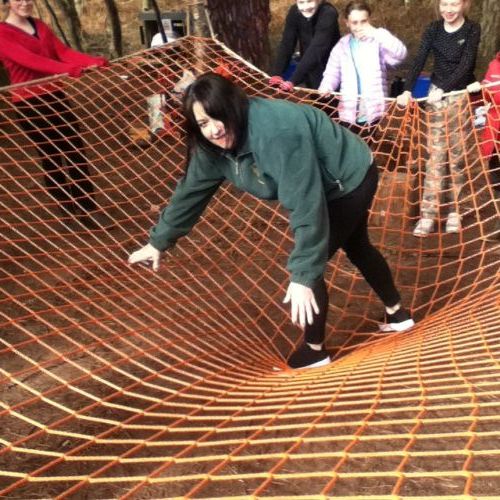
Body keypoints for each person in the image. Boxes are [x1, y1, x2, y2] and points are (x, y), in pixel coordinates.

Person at [128, 72, 415, 370]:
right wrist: (158, 241)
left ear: (233, 107)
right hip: (325, 182)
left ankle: (315, 351)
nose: (213, 129)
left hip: (348, 177)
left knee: (311, 260)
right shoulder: (211, 146)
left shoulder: (276, 132)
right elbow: (190, 192)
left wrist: (303, 275)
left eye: (218, 117)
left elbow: (305, 202)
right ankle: (397, 314)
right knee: (356, 245)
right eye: (203, 123)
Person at [0, 0, 108, 226]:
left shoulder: (40, 26)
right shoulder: (2, 33)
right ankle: (67, 208)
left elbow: (62, 52)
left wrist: (92, 61)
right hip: (29, 103)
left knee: (75, 149)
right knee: (51, 156)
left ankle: (87, 207)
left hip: (56, 95)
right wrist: (69, 70)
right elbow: (31, 61)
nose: (25, 3)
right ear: (8, 3)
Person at [396, 0, 480, 237]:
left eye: (454, 4)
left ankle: (455, 211)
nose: (449, 10)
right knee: (435, 156)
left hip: (459, 97)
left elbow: (467, 64)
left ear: (464, 4)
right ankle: (428, 214)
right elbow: (419, 59)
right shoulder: (433, 29)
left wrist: (445, 88)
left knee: (457, 157)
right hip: (436, 99)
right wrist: (407, 90)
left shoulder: (472, 29)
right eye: (444, 4)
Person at [319, 1, 407, 128]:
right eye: (354, 22)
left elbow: (400, 54)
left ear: (369, 20)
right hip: (349, 109)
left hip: (373, 109)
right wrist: (327, 86)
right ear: (347, 23)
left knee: (368, 139)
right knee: (349, 139)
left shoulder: (378, 41)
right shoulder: (341, 46)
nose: (359, 26)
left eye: (363, 21)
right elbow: (332, 73)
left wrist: (377, 33)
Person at [269, 0, 340, 91]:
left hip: (332, 68)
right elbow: (287, 43)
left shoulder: (328, 13)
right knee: (314, 93)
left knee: (329, 95)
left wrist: (293, 80)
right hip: (309, 67)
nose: (306, 7)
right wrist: (277, 73)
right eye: (301, 2)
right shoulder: (295, 11)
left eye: (309, 1)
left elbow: (317, 48)